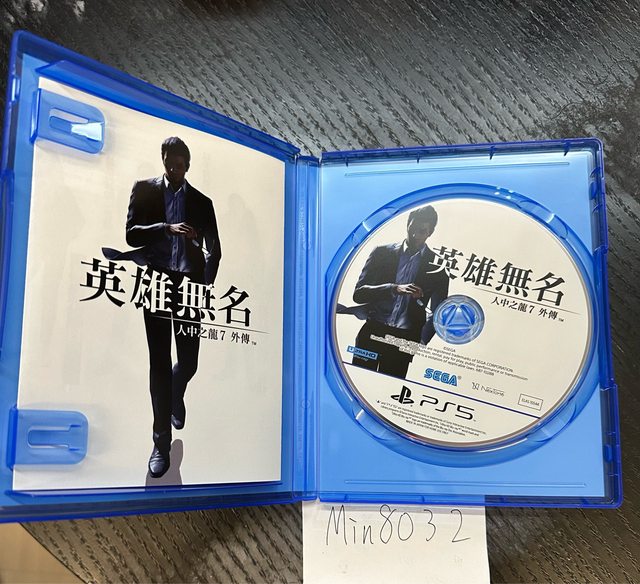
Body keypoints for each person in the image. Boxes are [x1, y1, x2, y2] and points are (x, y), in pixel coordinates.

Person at [125, 137, 221, 478]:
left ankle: (175, 392)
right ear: (163, 160)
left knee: (189, 362)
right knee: (159, 363)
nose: (173, 169)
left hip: (189, 286)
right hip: (157, 283)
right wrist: (165, 228)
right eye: (169, 163)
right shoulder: (144, 190)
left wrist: (204, 285)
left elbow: (215, 250)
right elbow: (131, 235)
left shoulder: (202, 203)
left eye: (179, 165)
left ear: (188, 166)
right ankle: (161, 443)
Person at [349, 205, 448, 379]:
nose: (415, 235)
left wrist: (420, 342)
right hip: (371, 334)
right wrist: (393, 288)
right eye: (413, 228)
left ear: (430, 232)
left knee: (388, 392)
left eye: (422, 231)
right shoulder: (381, 253)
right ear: (408, 224)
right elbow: (359, 294)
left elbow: (439, 314)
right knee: (356, 382)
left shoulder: (438, 267)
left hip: (404, 342)